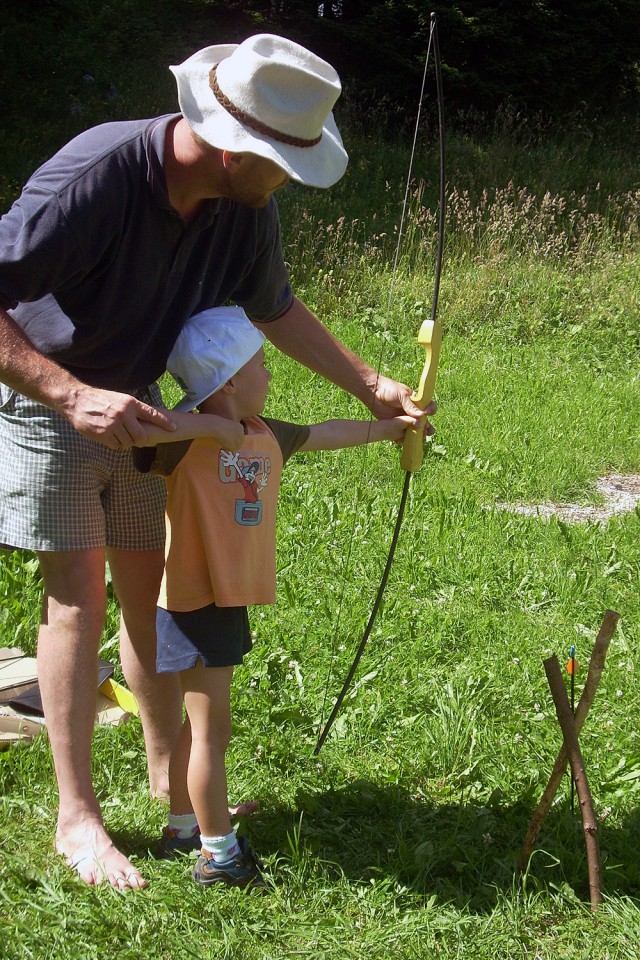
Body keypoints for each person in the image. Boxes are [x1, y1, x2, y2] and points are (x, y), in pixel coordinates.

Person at [0, 33, 427, 889]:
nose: (288, 182)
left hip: (151, 413)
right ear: (234, 148)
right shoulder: (97, 177)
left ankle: (171, 791)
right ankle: (76, 820)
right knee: (76, 600)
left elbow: (275, 309)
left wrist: (371, 382)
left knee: (146, 593)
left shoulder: (244, 206)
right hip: (51, 403)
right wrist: (67, 393)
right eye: (282, 163)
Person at [133, 305, 425, 889]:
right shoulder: (184, 442)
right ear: (231, 381)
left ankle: (184, 825)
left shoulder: (265, 434)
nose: (272, 375)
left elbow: (323, 434)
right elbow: (140, 428)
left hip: (220, 598)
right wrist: (213, 427)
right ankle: (219, 855)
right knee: (213, 731)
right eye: (262, 364)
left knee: (198, 727)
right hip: (195, 602)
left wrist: (387, 429)